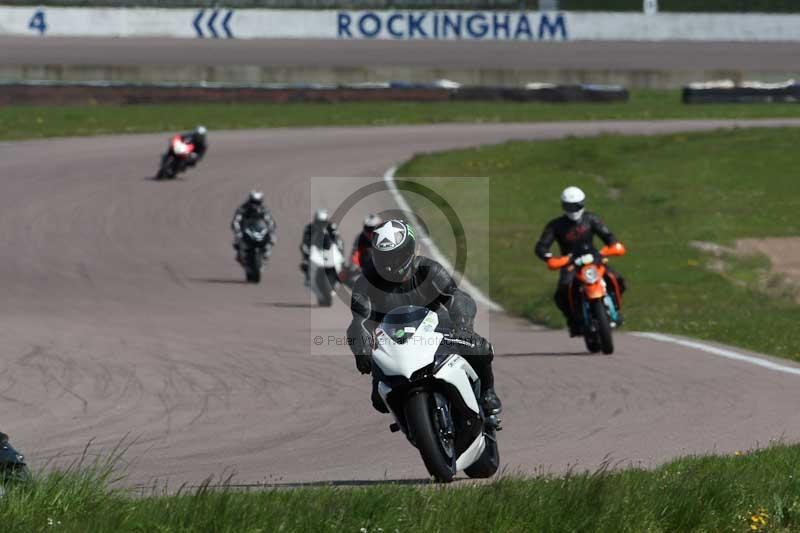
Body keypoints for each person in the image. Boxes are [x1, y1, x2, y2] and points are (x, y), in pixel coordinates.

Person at [346, 219, 502, 415]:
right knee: (379, 400)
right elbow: (357, 322)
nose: (390, 265)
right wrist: (361, 350)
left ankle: (487, 392)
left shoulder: (428, 270)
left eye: (397, 256)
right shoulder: (365, 282)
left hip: (437, 329)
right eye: (385, 258)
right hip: (392, 342)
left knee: (480, 348)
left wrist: (463, 326)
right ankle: (412, 422)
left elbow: (458, 297)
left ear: (411, 251)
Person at [534, 186, 626, 336]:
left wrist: (613, 245)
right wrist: (549, 258)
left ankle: (616, 310)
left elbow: (607, 235)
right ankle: (573, 321)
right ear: (563, 206)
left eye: (577, 205)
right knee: (562, 292)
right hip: (570, 263)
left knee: (617, 279)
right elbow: (541, 246)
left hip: (594, 259)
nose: (574, 209)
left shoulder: (591, 219)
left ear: (583, 204)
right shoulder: (555, 225)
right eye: (570, 206)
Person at [231, 190, 277, 263]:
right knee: (237, 240)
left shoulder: (263, 209)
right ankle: (240, 254)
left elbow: (269, 220)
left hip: (258, 228)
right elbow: (236, 220)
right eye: (254, 202)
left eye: (258, 202)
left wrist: (271, 228)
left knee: (272, 238)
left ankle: (266, 252)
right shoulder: (243, 208)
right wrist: (237, 230)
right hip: (245, 229)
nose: (255, 205)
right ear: (250, 200)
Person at [300, 209, 344, 284]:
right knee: (305, 259)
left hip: (329, 248)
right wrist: (307, 250)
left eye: (323, 222)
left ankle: (339, 273)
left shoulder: (332, 227)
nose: (321, 224)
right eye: (319, 222)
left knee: (340, 258)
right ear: (316, 220)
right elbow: (305, 241)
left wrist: (339, 250)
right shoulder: (309, 228)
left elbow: (338, 239)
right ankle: (308, 275)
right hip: (315, 248)